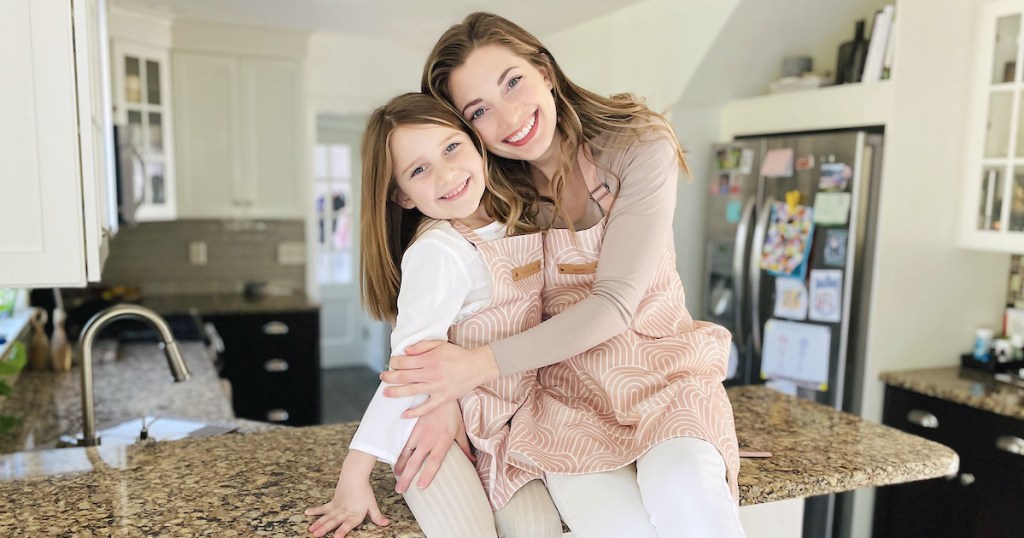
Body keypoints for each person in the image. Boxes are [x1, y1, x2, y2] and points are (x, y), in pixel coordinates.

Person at [380, 12, 745, 538]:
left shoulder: (636, 146)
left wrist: (474, 368)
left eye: (513, 83)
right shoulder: (492, 191)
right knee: (616, 528)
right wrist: (439, 405)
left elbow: (615, 304)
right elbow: (454, 308)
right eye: (480, 110)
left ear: (545, 71)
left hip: (663, 381)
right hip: (560, 403)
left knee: (689, 496)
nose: (509, 119)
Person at [304, 93, 562, 538]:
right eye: (419, 170)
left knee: (539, 530)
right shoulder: (439, 251)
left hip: (505, 428)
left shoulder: (520, 218)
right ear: (402, 195)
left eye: (451, 148)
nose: (446, 174)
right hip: (435, 430)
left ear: (475, 143)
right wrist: (355, 474)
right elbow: (409, 369)